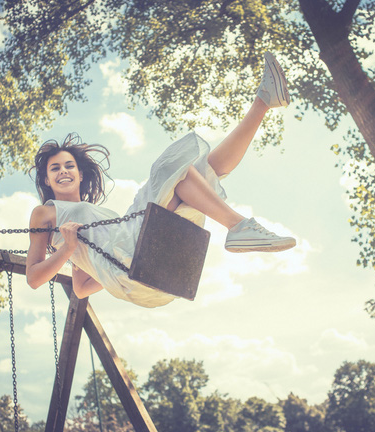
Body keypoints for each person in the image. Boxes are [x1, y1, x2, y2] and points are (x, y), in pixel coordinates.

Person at [26, 52, 295, 308]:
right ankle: (239, 227)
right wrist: (70, 248)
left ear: (80, 174)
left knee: (199, 171)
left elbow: (82, 287)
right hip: (133, 266)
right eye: (55, 168)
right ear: (47, 180)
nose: (63, 171)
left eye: (69, 166)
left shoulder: (80, 222)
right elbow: (34, 278)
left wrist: (87, 254)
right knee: (168, 168)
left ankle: (264, 101)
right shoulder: (45, 213)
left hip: (149, 268)